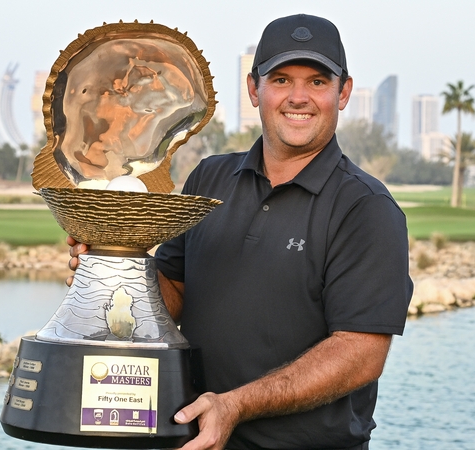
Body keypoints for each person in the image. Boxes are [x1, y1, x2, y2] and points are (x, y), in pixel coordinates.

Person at [68, 13, 412, 450]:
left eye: (319, 82)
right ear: (254, 89)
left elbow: (359, 353)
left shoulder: (366, 208)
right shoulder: (209, 179)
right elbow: (172, 290)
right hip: (192, 439)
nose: (299, 97)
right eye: (282, 79)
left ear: (343, 92)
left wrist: (235, 405)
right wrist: (112, 265)